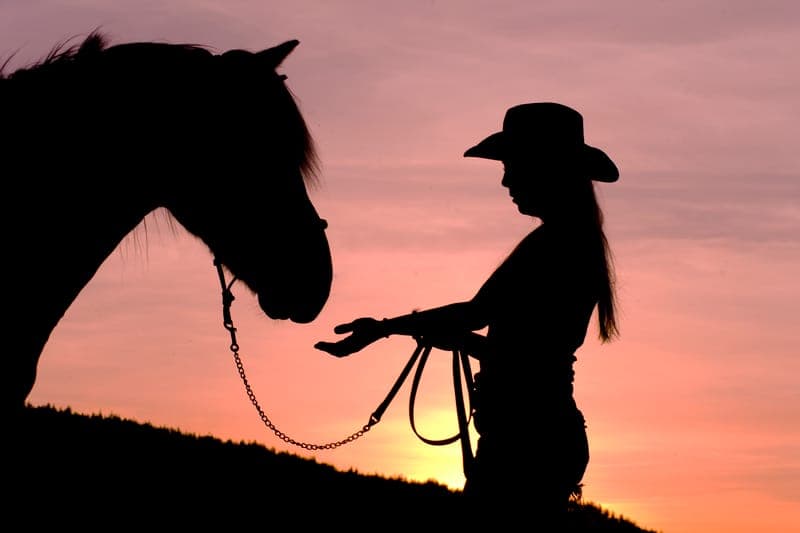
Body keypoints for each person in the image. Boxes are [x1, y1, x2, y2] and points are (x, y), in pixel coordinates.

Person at [315, 102, 620, 526]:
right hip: (540, 435)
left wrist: (386, 329)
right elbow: (529, 352)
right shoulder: (572, 242)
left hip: (524, 443)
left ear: (546, 167)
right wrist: (457, 339)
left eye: (514, 165)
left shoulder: (553, 246)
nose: (505, 178)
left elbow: (477, 313)